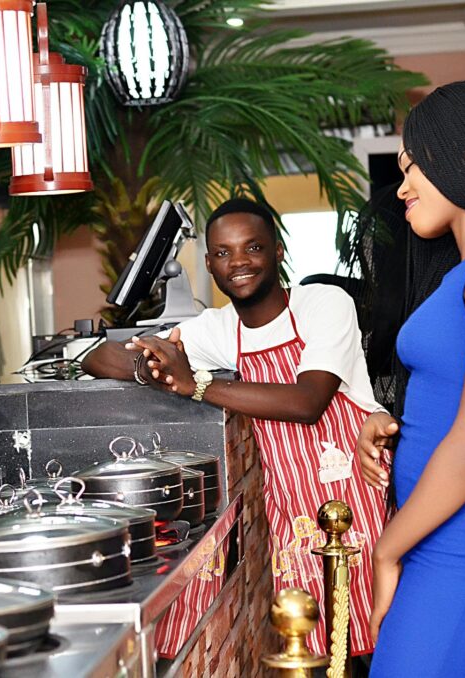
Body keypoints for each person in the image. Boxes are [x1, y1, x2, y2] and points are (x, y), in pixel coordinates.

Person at [82, 197, 387, 658]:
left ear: (278, 252)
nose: (238, 262)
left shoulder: (323, 303)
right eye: (223, 253)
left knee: (371, 643)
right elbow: (99, 357)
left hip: (351, 498)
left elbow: (307, 402)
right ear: (208, 263)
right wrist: (153, 369)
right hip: (289, 508)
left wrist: (195, 384)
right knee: (312, 650)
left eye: (252, 248)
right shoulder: (218, 328)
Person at [354, 80, 465, 677]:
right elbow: (452, 398)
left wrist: (386, 548)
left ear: (464, 157)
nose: (401, 187)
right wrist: (392, 426)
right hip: (438, 535)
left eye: (413, 168)